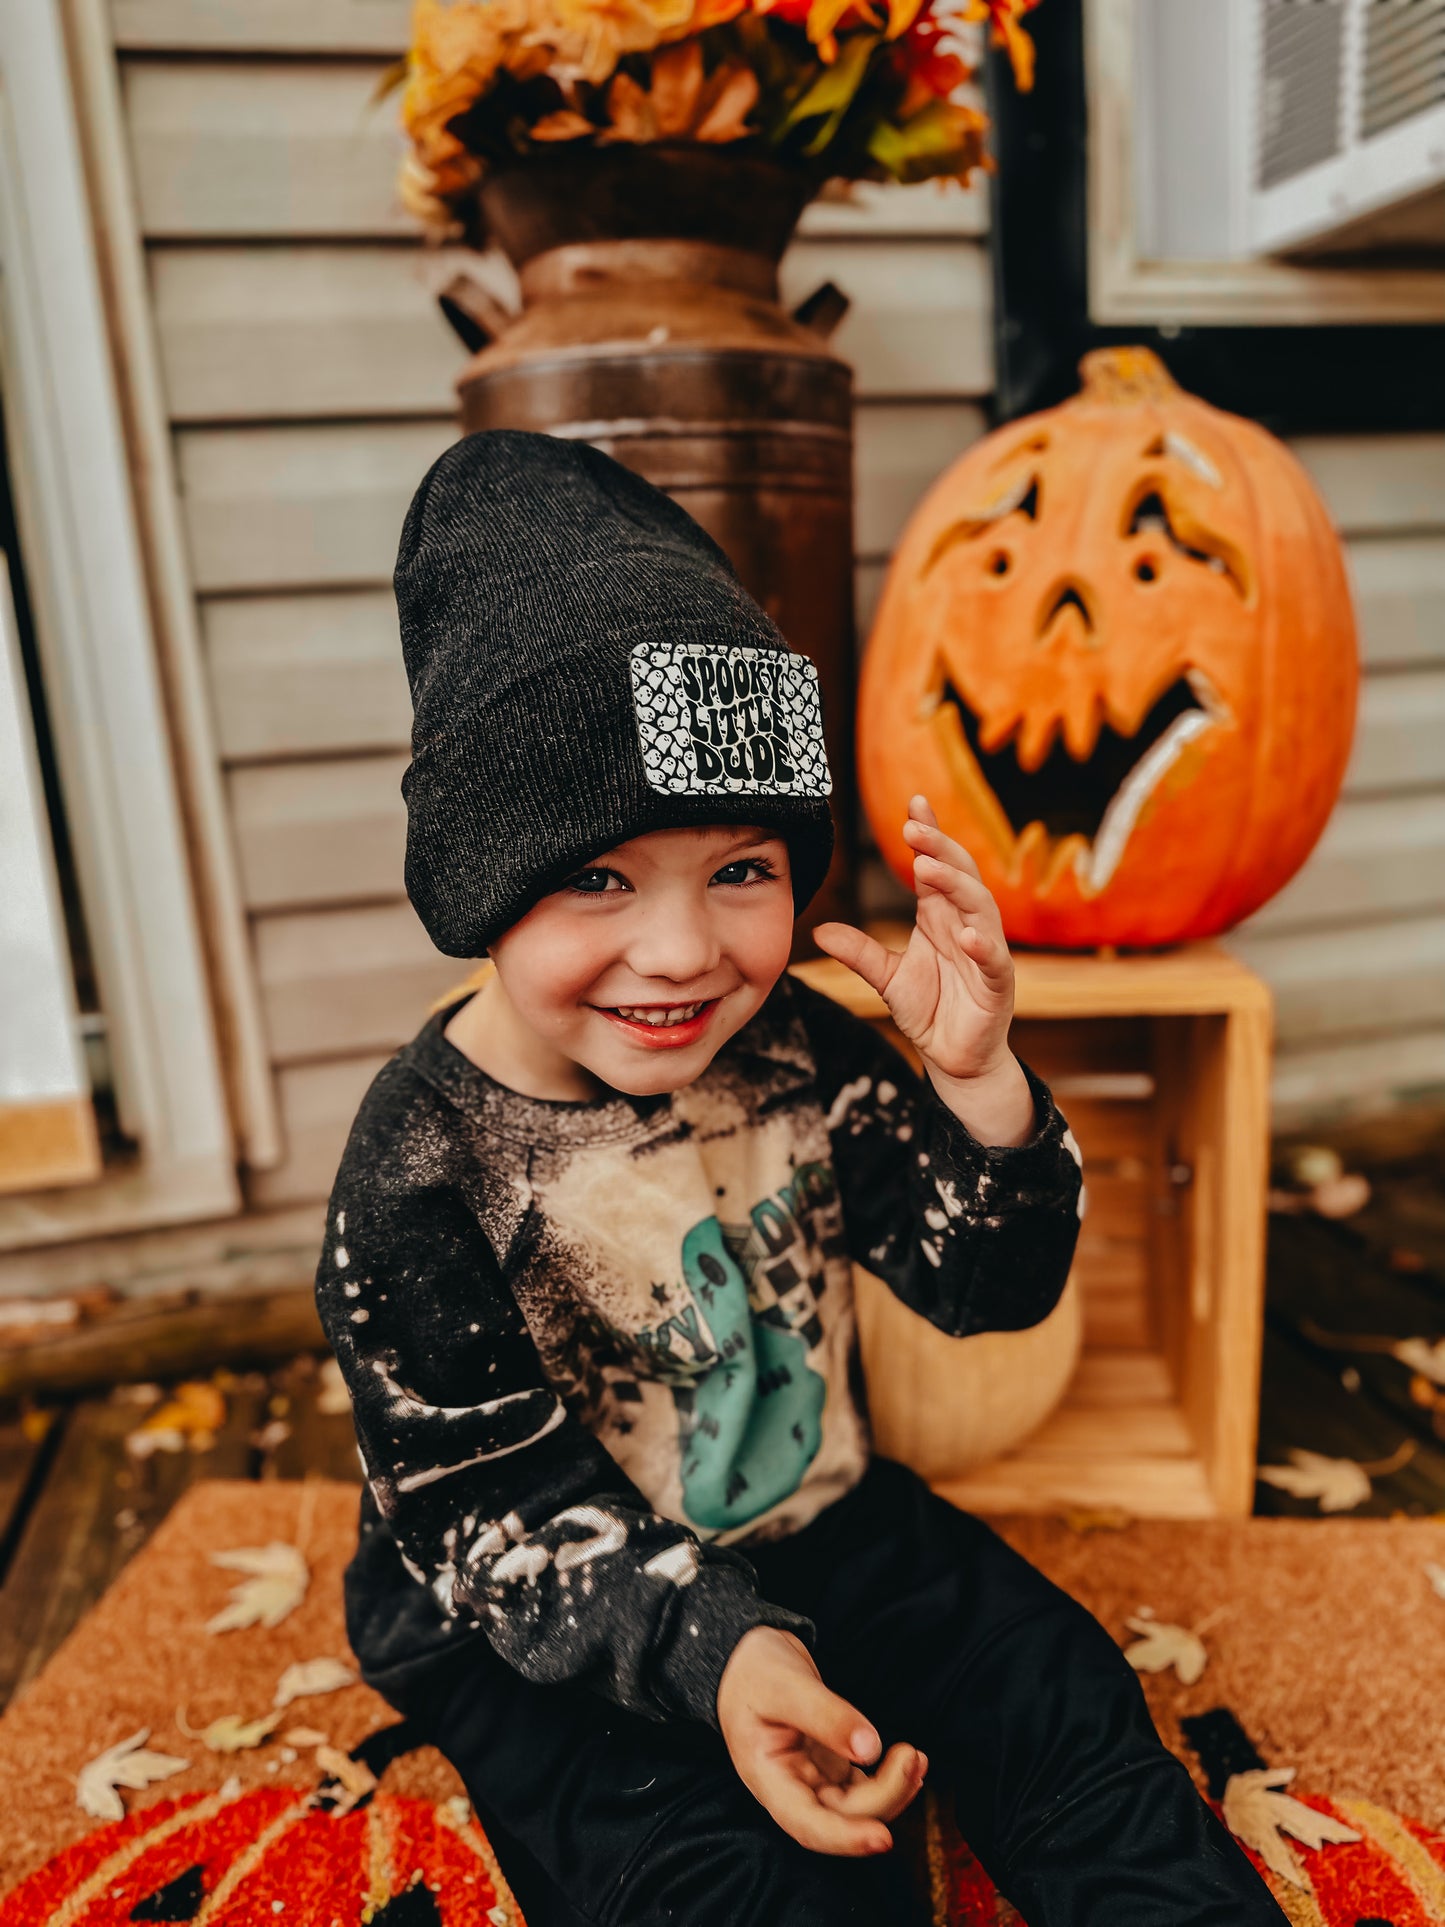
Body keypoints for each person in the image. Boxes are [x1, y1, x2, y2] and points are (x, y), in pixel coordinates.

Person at [316, 430, 1286, 1927]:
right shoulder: (423, 1164)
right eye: (596, 876)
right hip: (545, 1595)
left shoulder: (792, 1046)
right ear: (476, 875)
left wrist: (980, 1099)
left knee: (1061, 1698)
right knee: (747, 1880)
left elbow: (983, 1286)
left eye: (743, 868)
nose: (684, 949)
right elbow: (487, 1504)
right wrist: (717, 1654)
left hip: (815, 1513)